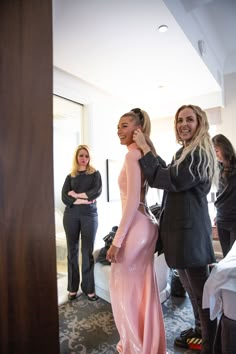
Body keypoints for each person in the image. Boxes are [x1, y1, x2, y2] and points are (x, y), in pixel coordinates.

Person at [133, 104, 218, 354]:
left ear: (199, 123)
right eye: (180, 120)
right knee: (192, 290)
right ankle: (201, 331)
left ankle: (210, 344)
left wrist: (146, 149)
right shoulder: (185, 151)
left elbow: (167, 179)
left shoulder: (198, 152)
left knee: (201, 294)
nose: (183, 124)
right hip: (183, 236)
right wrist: (150, 147)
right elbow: (166, 172)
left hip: (190, 236)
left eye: (189, 119)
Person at [106, 108, 166, 354]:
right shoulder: (143, 153)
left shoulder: (132, 156)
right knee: (142, 290)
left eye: (124, 125)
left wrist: (117, 241)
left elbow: (131, 202)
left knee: (123, 291)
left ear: (138, 129)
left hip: (137, 227)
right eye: (118, 126)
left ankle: (135, 346)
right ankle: (147, 344)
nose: (119, 130)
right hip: (147, 225)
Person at [61, 144, 102, 301]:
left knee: (87, 252)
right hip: (70, 216)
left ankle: (88, 288)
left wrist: (76, 196)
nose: (83, 158)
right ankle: (72, 288)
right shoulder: (70, 176)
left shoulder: (95, 174)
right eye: (81, 155)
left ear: (89, 157)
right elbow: (65, 197)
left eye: (86, 155)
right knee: (72, 251)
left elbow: (96, 192)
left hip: (89, 216)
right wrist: (84, 200)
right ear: (77, 157)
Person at [212, 134, 236, 257]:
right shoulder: (219, 169)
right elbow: (220, 194)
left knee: (234, 258)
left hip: (234, 219)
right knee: (226, 257)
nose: (215, 155)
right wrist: (217, 215)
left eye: (216, 151)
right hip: (222, 218)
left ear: (224, 148)